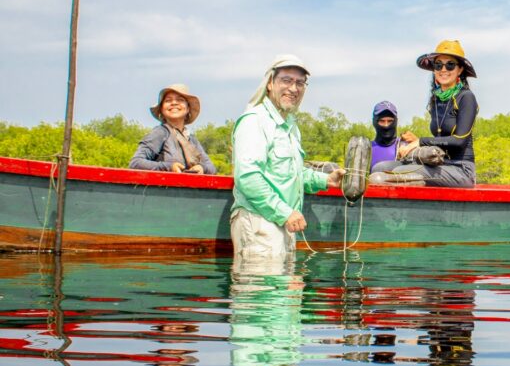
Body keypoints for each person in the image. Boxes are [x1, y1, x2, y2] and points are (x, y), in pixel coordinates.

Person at [230, 55, 344, 259]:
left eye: (300, 83)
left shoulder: (290, 126)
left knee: (281, 290)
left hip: (283, 223)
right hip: (260, 222)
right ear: (269, 84)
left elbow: (295, 173)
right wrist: (285, 213)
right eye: (286, 80)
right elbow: (248, 177)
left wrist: (326, 179)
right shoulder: (254, 121)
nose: (294, 88)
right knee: (262, 290)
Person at [371, 40, 479, 187]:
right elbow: (440, 139)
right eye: (438, 65)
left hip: (460, 169)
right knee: (380, 168)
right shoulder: (436, 100)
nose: (443, 69)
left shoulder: (466, 97)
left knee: (402, 171)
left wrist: (421, 141)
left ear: (459, 69)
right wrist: (417, 145)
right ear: (434, 69)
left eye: (450, 65)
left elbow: (459, 141)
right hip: (438, 163)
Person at [129, 84, 216, 174]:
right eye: (168, 100)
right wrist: (169, 167)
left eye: (180, 100)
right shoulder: (160, 132)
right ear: (162, 110)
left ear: (188, 109)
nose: (174, 103)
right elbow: (136, 163)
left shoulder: (191, 139)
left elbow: (211, 168)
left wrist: (202, 168)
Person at [368, 100, 407, 170]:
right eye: (382, 121)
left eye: (390, 121)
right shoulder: (367, 149)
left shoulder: (405, 147)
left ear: (396, 121)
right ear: (374, 122)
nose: (386, 125)